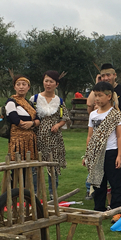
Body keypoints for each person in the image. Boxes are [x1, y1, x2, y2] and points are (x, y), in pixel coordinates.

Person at [83, 82, 121, 219]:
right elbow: (90, 136)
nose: (97, 99)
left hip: (111, 152)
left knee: (115, 182)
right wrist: (87, 154)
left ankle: (117, 210)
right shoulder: (93, 115)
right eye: (95, 95)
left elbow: (120, 136)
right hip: (96, 153)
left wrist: (119, 155)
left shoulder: (116, 115)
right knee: (98, 183)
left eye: (100, 95)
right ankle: (99, 209)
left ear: (108, 96)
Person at [34, 70, 70, 198]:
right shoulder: (35, 99)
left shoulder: (59, 100)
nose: (48, 84)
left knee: (53, 166)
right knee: (35, 165)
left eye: (51, 82)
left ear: (56, 84)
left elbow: (65, 117)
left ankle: (52, 193)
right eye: (46, 81)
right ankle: (35, 193)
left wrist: (58, 125)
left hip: (54, 139)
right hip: (37, 137)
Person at [6, 76, 39, 162]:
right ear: (14, 87)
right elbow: (15, 119)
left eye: (24, 84)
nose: (21, 87)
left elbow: (38, 119)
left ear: (28, 87)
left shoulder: (30, 104)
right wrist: (26, 124)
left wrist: (31, 124)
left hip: (30, 140)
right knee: (17, 165)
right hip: (17, 139)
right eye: (18, 84)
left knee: (29, 166)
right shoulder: (11, 102)